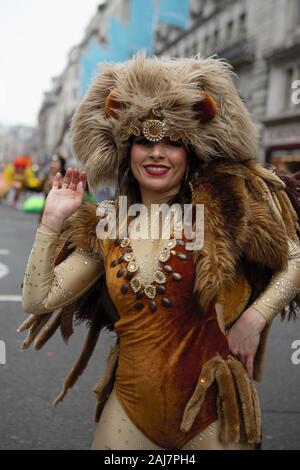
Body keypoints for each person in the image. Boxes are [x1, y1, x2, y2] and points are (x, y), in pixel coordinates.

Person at [19, 53, 300, 450]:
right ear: (126, 150)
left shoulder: (224, 211)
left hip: (213, 410)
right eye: (144, 142)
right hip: (130, 412)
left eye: (173, 143)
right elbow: (37, 299)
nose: (157, 153)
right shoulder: (107, 226)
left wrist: (254, 319)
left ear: (190, 153)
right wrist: (51, 222)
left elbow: (295, 259)